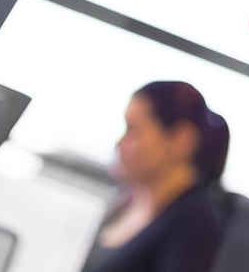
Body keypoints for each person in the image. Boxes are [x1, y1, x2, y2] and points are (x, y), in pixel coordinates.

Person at [83, 81, 230, 272]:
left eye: (133, 130)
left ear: (181, 139)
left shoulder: (194, 223)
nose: (120, 142)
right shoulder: (126, 201)